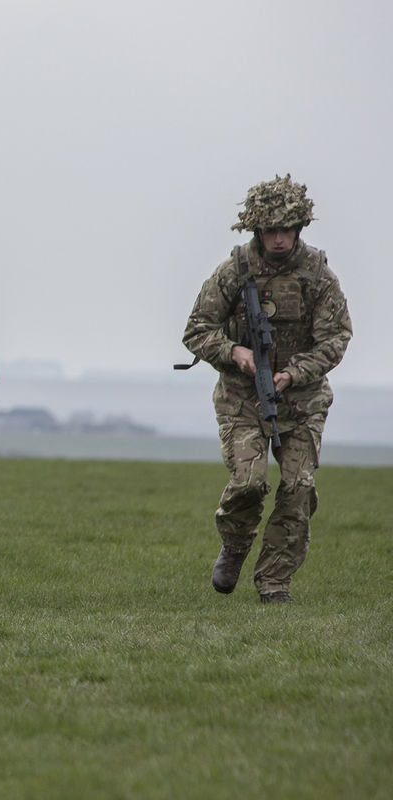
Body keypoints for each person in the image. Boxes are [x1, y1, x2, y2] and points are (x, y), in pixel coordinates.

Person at [183, 175, 351, 603]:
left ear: (299, 228)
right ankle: (235, 545)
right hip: (243, 399)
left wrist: (294, 374)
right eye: (270, 230)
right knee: (249, 483)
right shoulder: (234, 271)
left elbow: (336, 338)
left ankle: (274, 582)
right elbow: (197, 330)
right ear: (257, 230)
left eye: (287, 229)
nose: (279, 238)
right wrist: (233, 351)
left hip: (301, 401)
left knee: (298, 488)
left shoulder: (318, 276)